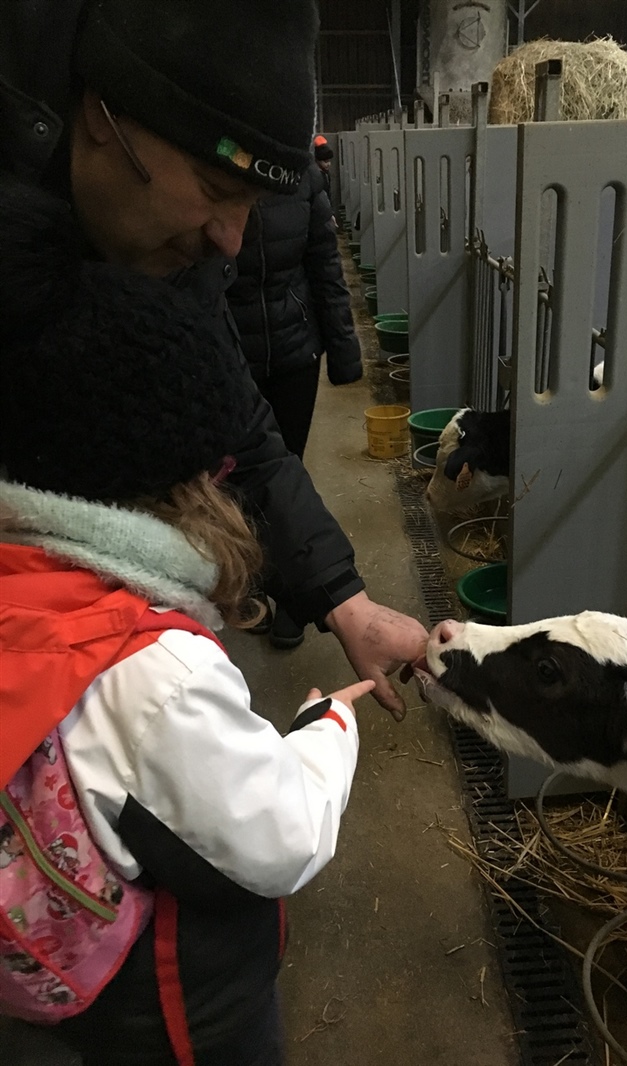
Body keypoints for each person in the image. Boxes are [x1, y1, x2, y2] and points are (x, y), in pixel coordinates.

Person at [0, 179, 374, 1066]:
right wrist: (328, 727)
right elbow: (280, 835)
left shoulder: (27, 587)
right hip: (178, 1009)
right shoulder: (152, 675)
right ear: (184, 485)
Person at [0, 0, 427, 721]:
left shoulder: (167, 256)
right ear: (104, 114)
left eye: (251, 204)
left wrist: (345, 601)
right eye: (217, 189)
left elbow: (234, 427)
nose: (231, 238)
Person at [228, 161, 362, 648]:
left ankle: (289, 595)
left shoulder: (302, 176)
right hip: (229, 354)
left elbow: (325, 265)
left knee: (285, 466)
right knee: (232, 479)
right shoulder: (218, 168)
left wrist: (344, 352)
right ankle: (248, 577)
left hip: (294, 353)